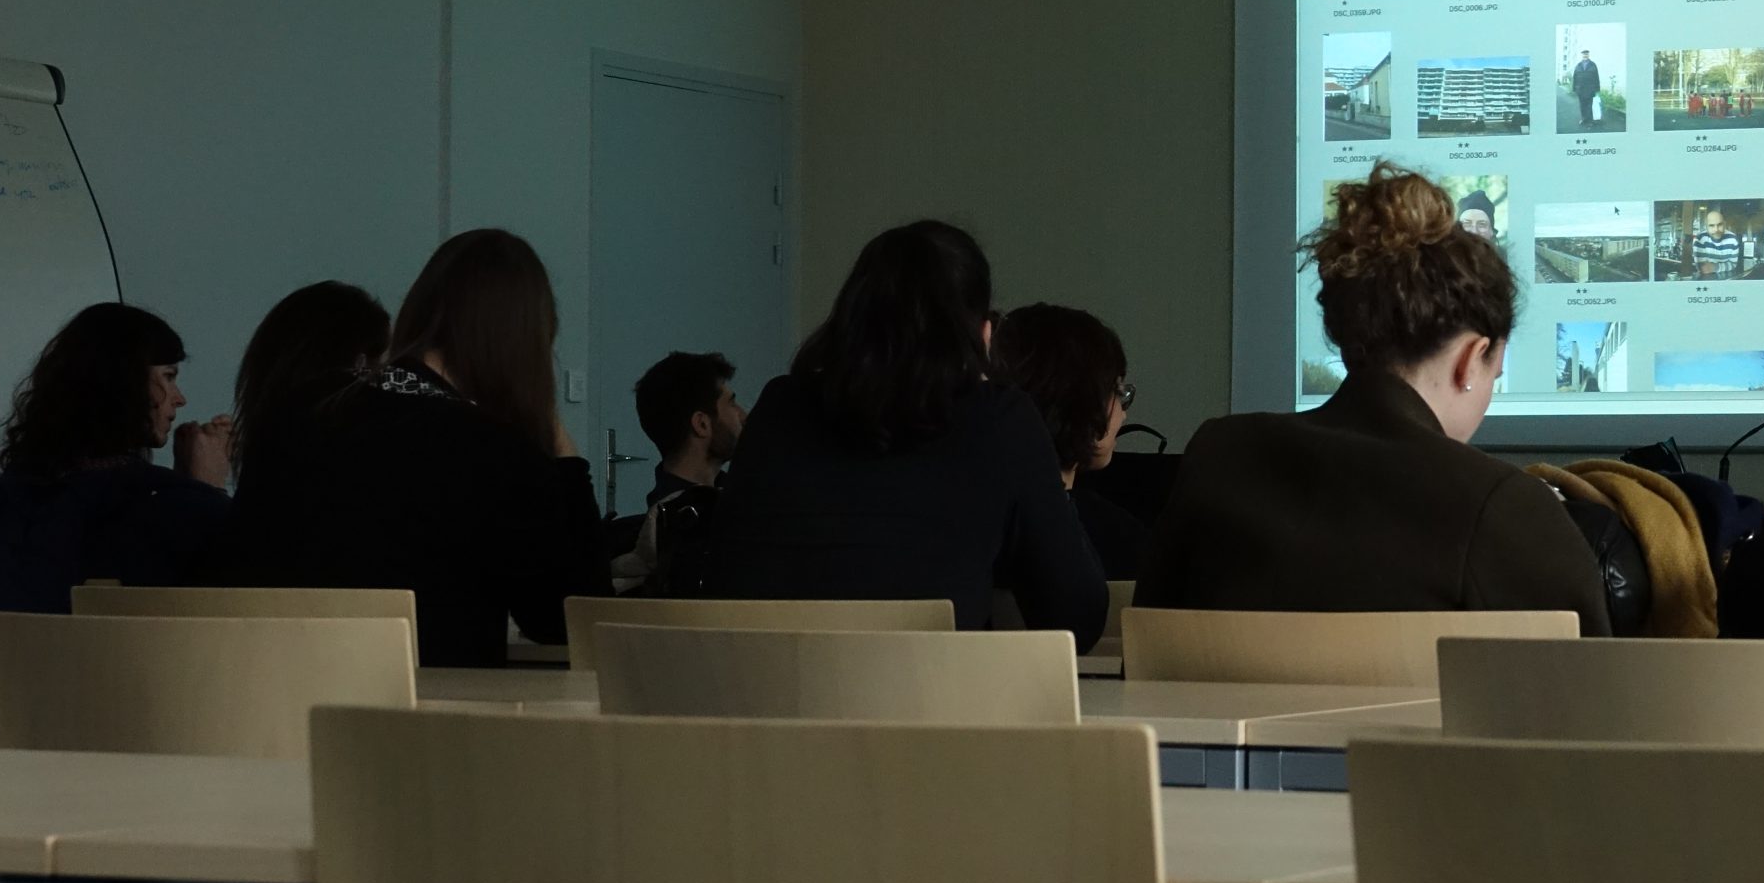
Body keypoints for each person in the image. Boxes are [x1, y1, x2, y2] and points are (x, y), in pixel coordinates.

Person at [1136, 162, 1608, 619]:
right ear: (1471, 358)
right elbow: (1588, 694)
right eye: (1495, 368)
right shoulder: (1506, 508)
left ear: (1350, 344)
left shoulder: (1221, 456)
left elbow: (1148, 656)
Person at [698, 220, 1106, 646]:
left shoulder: (779, 407)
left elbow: (728, 577)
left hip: (763, 697)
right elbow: (1076, 617)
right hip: (928, 704)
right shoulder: (1000, 420)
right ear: (982, 332)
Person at [218, 230, 606, 666]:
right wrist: (567, 460)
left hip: (276, 706)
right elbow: (569, 622)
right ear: (525, 341)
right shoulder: (498, 452)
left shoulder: (299, 418)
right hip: (427, 722)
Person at [0, 303, 231, 654]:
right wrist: (208, 490)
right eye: (168, 376)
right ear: (129, 382)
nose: (178, 399)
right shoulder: (172, 510)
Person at [991, 303, 1151, 580]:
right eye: (1116, 391)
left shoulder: (964, 518)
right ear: (1081, 402)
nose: (1123, 413)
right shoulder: (1118, 537)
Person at [610, 351, 747, 594]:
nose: (743, 415)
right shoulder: (689, 528)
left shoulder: (737, 494)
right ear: (702, 424)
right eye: (732, 403)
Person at [229, 281, 390, 485]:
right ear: (360, 363)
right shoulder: (379, 446)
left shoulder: (270, 442)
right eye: (379, 362)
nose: (385, 375)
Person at [1693, 208, 1740, 279]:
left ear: (1724, 224)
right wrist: (1724, 266)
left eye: (1720, 224)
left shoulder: (1733, 239)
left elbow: (1733, 264)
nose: (1716, 230)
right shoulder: (1700, 239)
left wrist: (1715, 267)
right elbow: (1703, 268)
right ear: (1706, 226)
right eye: (1711, 225)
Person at [1571, 49, 1602, 127]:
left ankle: (1590, 121)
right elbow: (1575, 77)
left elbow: (1596, 77)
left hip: (1590, 89)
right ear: (1582, 55)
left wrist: (1597, 89)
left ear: (1588, 55)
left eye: (1586, 54)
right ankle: (1584, 119)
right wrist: (1574, 88)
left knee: (1589, 105)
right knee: (1582, 106)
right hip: (1580, 89)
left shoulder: (1593, 65)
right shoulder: (1578, 65)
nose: (1585, 55)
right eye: (1584, 54)